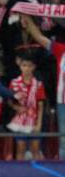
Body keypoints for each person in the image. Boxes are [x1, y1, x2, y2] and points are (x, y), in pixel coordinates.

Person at [21, 15, 65, 159]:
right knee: (64, 140)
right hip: (62, 102)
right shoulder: (60, 49)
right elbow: (39, 37)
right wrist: (26, 17)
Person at [7, 53, 45, 160]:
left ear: (34, 67)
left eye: (29, 66)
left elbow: (40, 105)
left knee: (35, 148)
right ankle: (20, 174)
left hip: (34, 121)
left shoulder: (38, 84)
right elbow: (9, 101)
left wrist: (39, 124)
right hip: (19, 121)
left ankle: (38, 174)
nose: (26, 68)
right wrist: (16, 108)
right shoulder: (14, 83)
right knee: (21, 147)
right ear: (20, 66)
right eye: (24, 65)